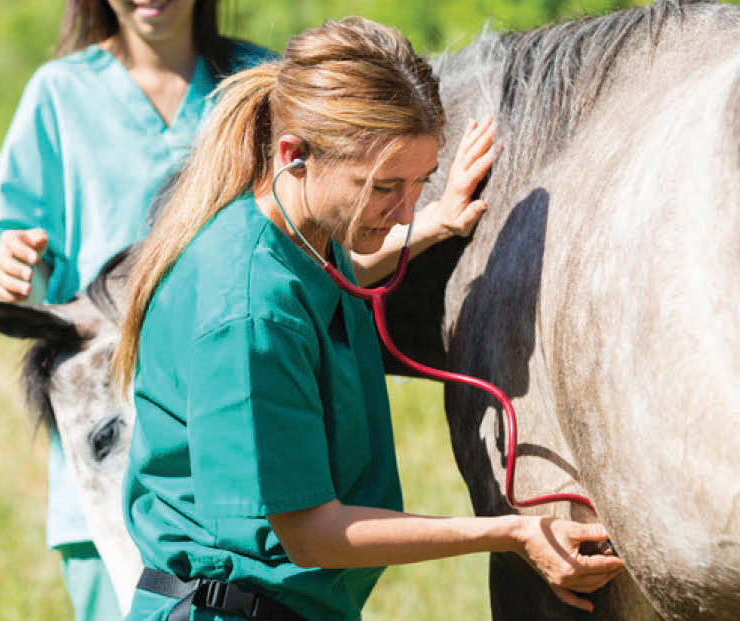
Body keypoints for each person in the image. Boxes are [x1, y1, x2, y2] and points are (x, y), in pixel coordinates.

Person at [114, 16, 625, 621]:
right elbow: (312, 534)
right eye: (384, 187)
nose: (403, 207)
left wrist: (434, 220)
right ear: (293, 155)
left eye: (419, 182)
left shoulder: (288, 234)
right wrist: (510, 534)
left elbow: (338, 272)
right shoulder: (248, 316)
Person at [0, 2, 274, 619]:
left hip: (237, 424)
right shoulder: (60, 93)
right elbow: (22, 258)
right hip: (110, 447)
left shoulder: (259, 80)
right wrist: (15, 260)